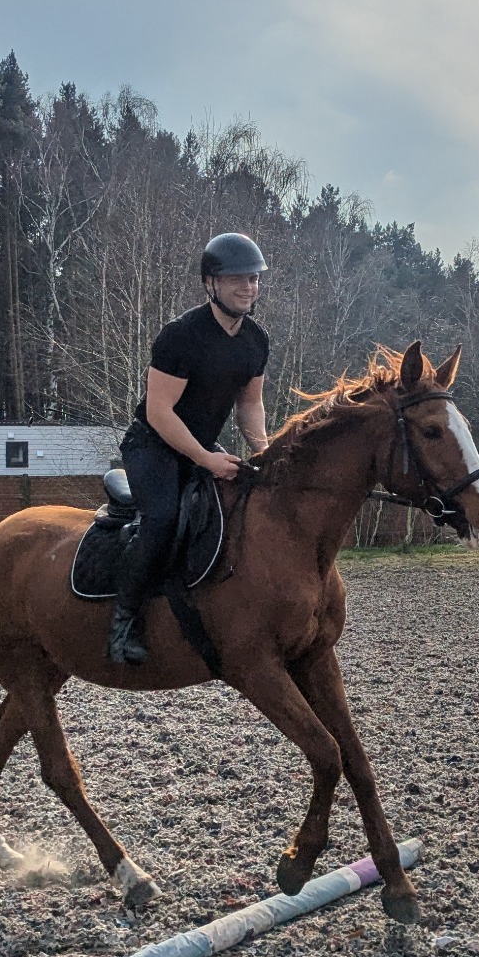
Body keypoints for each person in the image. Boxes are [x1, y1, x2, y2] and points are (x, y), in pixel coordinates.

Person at [107, 233, 270, 665]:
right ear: (210, 283)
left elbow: (250, 403)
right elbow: (160, 413)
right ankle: (125, 619)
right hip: (152, 444)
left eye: (253, 279)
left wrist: (264, 450)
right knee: (162, 518)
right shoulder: (180, 337)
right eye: (236, 279)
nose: (247, 287)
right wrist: (205, 458)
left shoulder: (255, 341)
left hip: (201, 445)